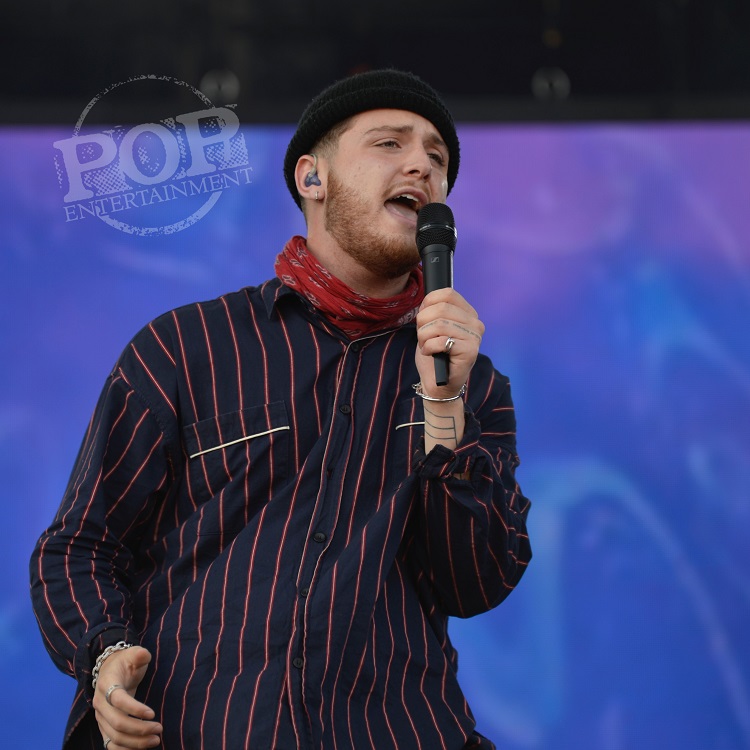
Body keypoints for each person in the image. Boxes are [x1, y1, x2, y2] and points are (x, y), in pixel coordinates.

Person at [30, 68, 532, 750]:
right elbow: (79, 547)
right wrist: (106, 654)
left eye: (438, 159)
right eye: (389, 143)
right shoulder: (186, 346)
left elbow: (473, 583)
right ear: (311, 177)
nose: (422, 165)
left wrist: (444, 404)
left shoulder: (475, 386)